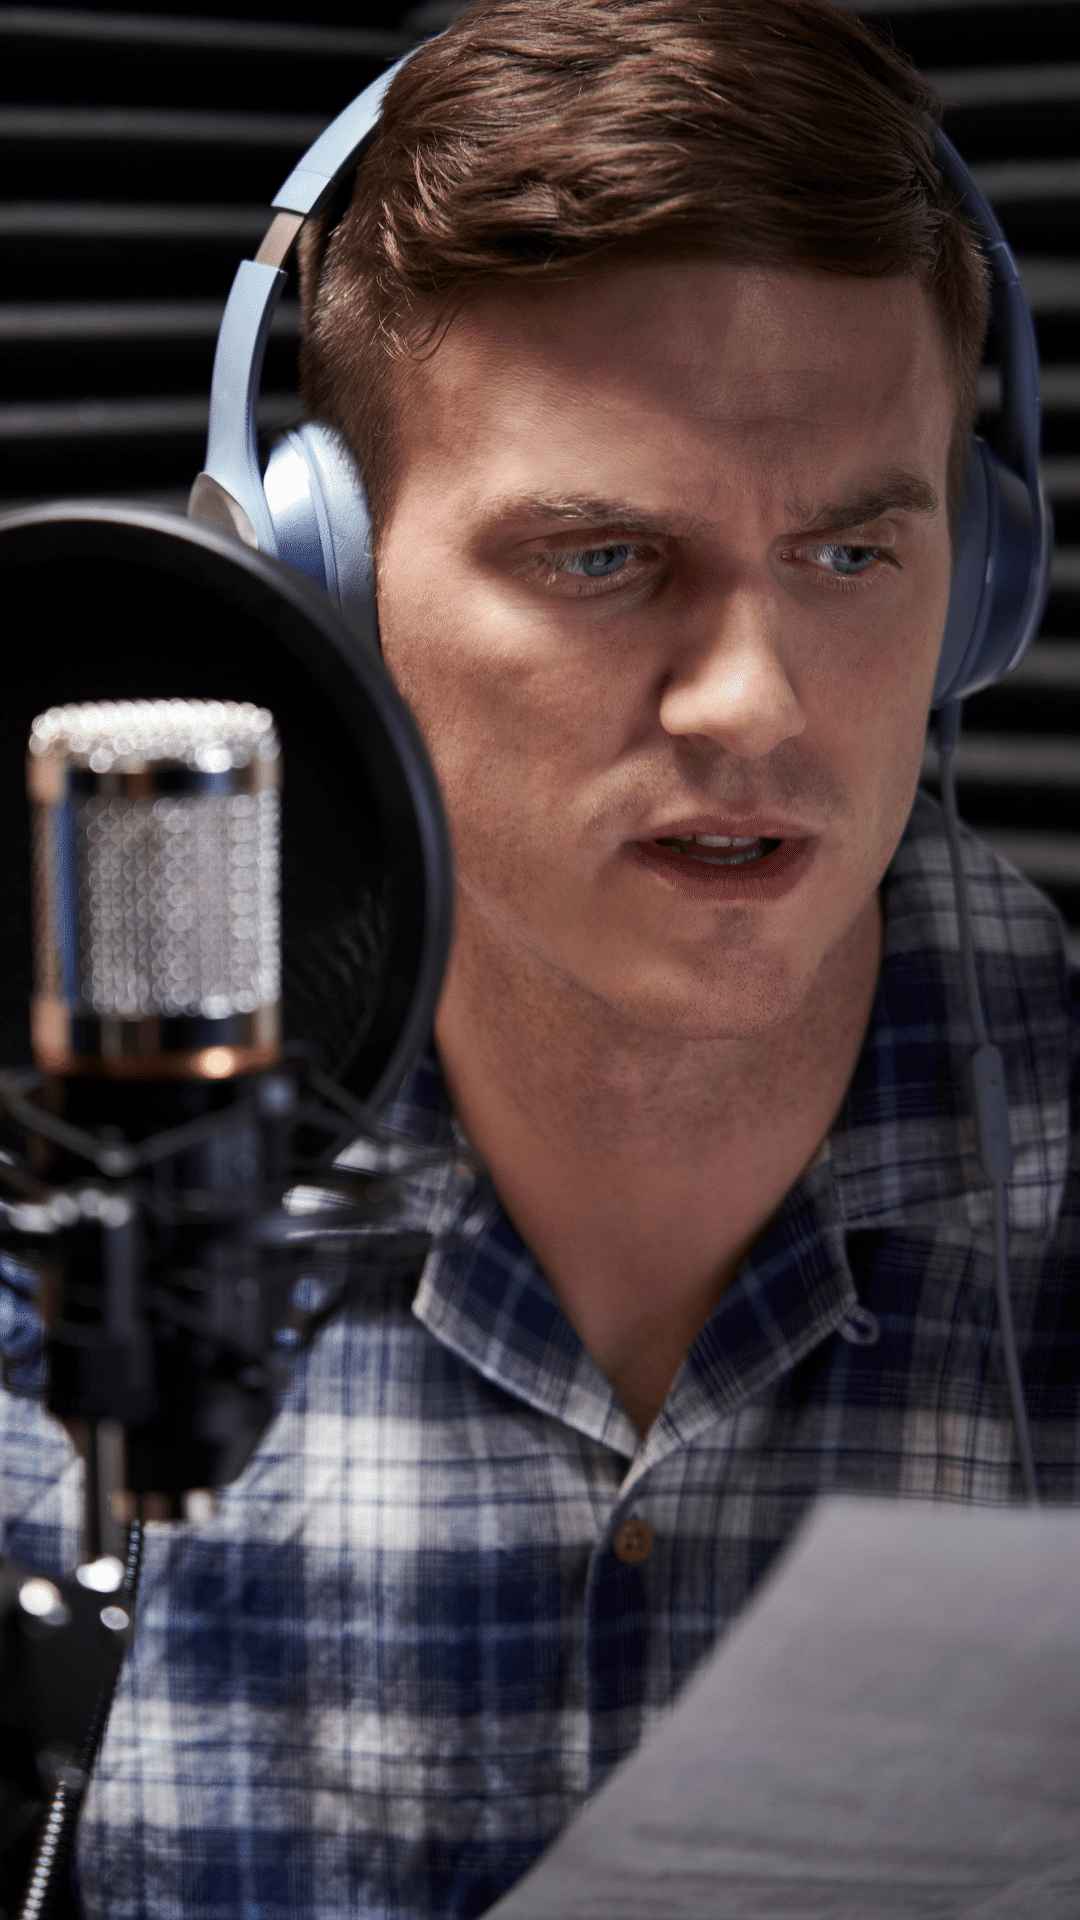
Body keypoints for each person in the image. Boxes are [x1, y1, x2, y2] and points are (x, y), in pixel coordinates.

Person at [2, 2, 1077, 1916]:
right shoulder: (56, 1248)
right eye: (602, 558)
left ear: (981, 581)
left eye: (849, 557)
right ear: (322, 580)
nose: (752, 707)